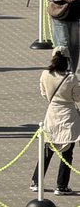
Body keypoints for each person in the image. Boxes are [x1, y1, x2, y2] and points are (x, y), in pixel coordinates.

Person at [31, 49, 80, 196]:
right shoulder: (71, 78)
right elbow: (77, 97)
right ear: (67, 60)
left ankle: (36, 181)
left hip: (52, 113)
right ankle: (62, 185)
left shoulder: (46, 74)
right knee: (67, 150)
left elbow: (43, 93)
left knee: (48, 148)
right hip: (68, 115)